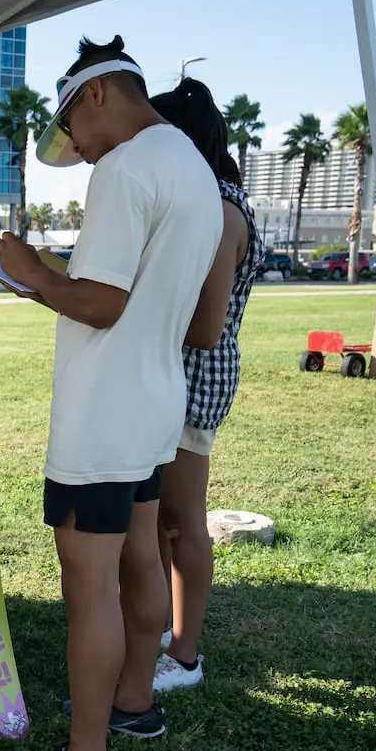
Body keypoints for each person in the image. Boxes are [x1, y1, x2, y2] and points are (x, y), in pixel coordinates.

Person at [0, 36, 223, 751]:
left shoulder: (127, 167)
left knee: (87, 590)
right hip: (156, 402)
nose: (82, 153)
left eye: (74, 133)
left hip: (104, 415)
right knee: (141, 563)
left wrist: (30, 273)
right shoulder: (191, 164)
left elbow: (100, 301)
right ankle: (133, 702)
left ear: (96, 95)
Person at [147, 80, 263, 693]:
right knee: (166, 515)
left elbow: (205, 326)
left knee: (182, 520)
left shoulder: (217, 210)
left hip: (197, 376)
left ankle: (185, 656)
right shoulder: (208, 197)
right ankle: (168, 630)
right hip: (180, 374)